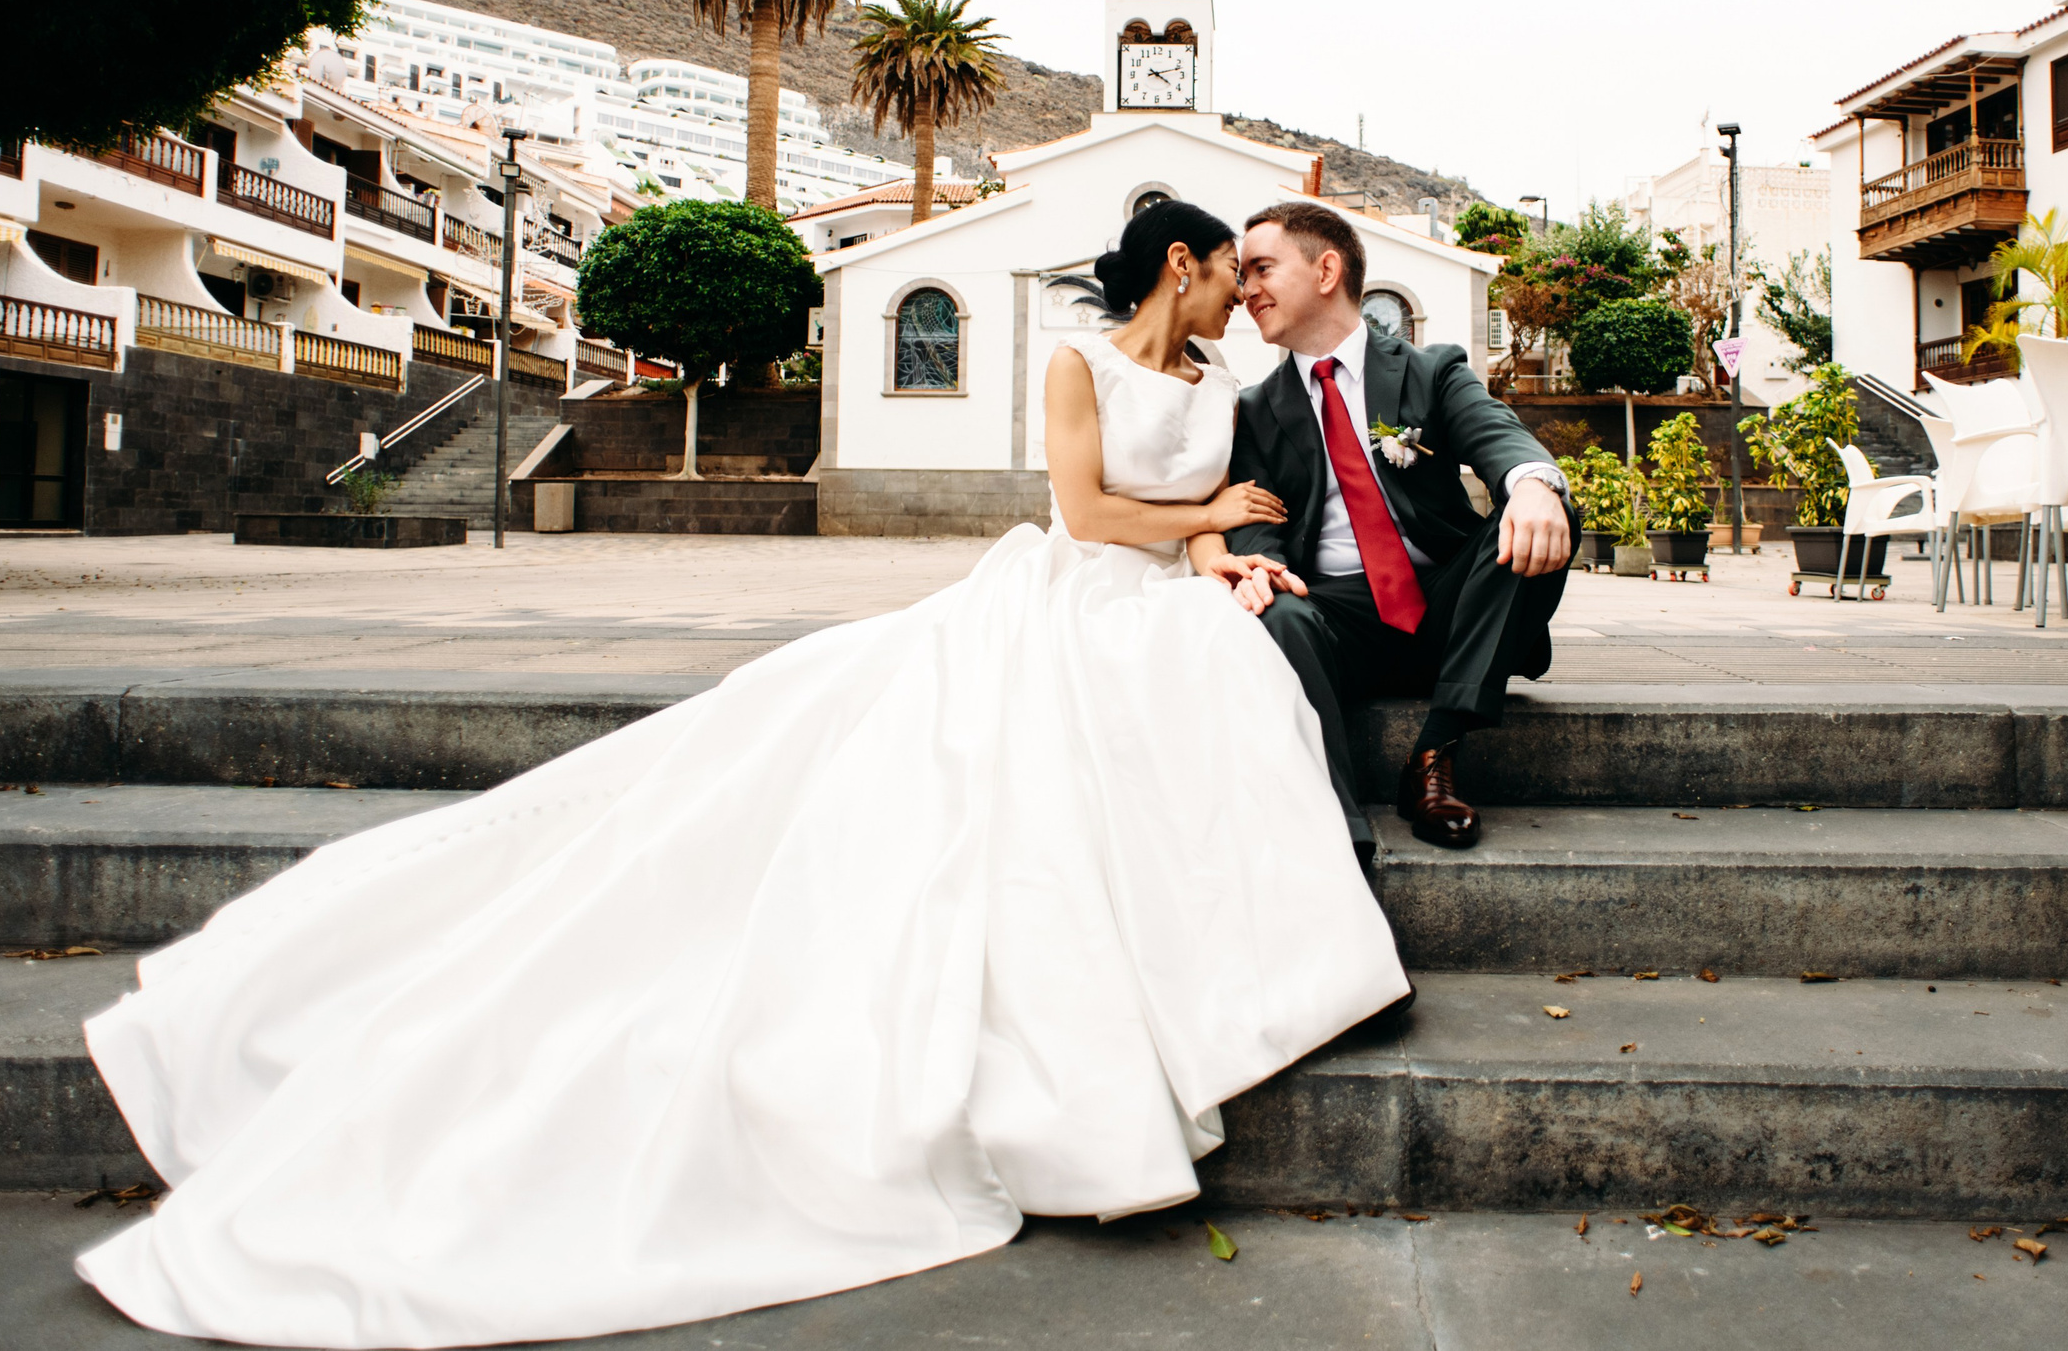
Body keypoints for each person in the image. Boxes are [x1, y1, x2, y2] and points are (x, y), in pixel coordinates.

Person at [73, 200, 1406, 1350]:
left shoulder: (1222, 389)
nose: (1248, 290)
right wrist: (1205, 521)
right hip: (1063, 589)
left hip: (1158, 595)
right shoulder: (1075, 365)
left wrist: (1224, 556)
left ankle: (1271, 952)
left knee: (1224, 670)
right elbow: (1088, 513)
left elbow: (1188, 532)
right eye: (1234, 269)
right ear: (1182, 265)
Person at [1201, 203, 1578, 858]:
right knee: (1280, 611)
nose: (1245, 288)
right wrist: (1261, 568)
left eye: (1262, 268)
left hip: (1449, 605)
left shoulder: (1430, 372)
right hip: (1335, 619)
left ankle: (1433, 754)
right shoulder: (1256, 411)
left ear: (1326, 270)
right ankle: (1334, 819)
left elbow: (1497, 436)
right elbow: (1253, 524)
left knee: (1545, 498)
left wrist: (1534, 484)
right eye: (1242, 274)